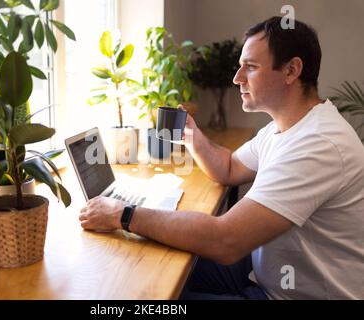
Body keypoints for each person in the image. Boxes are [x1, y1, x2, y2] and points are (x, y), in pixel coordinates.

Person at [79, 16, 364, 299]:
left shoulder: (317, 144)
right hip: (263, 271)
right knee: (146, 264)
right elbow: (229, 168)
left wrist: (124, 214)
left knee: (149, 297)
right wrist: (192, 135)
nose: (237, 78)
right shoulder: (285, 127)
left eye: (250, 67)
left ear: (291, 70)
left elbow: (225, 240)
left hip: (284, 294)